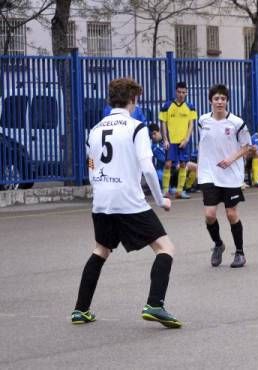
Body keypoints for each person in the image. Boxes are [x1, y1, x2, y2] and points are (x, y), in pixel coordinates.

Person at [72, 78, 181, 328]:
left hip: (102, 200)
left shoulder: (95, 129)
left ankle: (80, 309)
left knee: (101, 249)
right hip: (129, 200)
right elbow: (148, 167)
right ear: (133, 99)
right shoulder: (136, 127)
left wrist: (98, 184)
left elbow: (91, 163)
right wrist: (160, 198)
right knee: (165, 248)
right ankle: (155, 304)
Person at [197, 84, 252, 268]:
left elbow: (247, 147)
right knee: (210, 215)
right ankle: (218, 245)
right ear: (210, 101)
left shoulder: (237, 123)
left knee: (231, 213)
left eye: (222, 98)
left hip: (230, 175)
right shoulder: (203, 121)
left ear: (227, 101)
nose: (219, 102)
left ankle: (240, 253)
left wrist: (230, 159)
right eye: (216, 98)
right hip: (209, 174)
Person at [159, 81, 197, 199]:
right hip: (171, 140)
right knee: (168, 164)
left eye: (183, 92)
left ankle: (179, 191)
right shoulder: (167, 106)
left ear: (186, 93)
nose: (181, 94)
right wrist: (165, 139)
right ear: (176, 92)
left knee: (183, 164)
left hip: (183, 141)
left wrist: (186, 139)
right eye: (179, 92)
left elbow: (191, 125)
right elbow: (163, 123)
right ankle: (165, 191)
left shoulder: (190, 107)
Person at [149, 123, 196, 192]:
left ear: (159, 131)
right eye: (151, 135)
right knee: (160, 173)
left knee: (196, 167)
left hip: (175, 166)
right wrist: (179, 163)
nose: (153, 136)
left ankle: (187, 187)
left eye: (154, 133)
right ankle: (168, 189)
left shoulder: (169, 139)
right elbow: (166, 161)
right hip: (165, 169)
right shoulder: (155, 147)